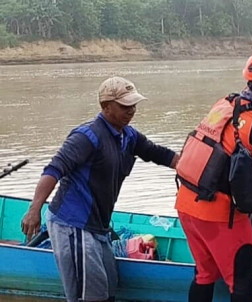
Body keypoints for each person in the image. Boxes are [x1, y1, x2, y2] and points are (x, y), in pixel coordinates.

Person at [20, 76, 179, 302]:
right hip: (73, 224)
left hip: (98, 227)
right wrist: (34, 210)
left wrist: (190, 167)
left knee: (109, 286)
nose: (132, 110)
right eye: (125, 106)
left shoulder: (128, 135)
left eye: (134, 104)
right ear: (106, 107)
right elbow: (53, 170)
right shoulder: (87, 136)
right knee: (89, 296)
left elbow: (159, 154)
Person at [174, 47, 252, 302]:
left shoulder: (225, 103)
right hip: (221, 216)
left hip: (186, 205)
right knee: (243, 283)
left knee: (204, 274)